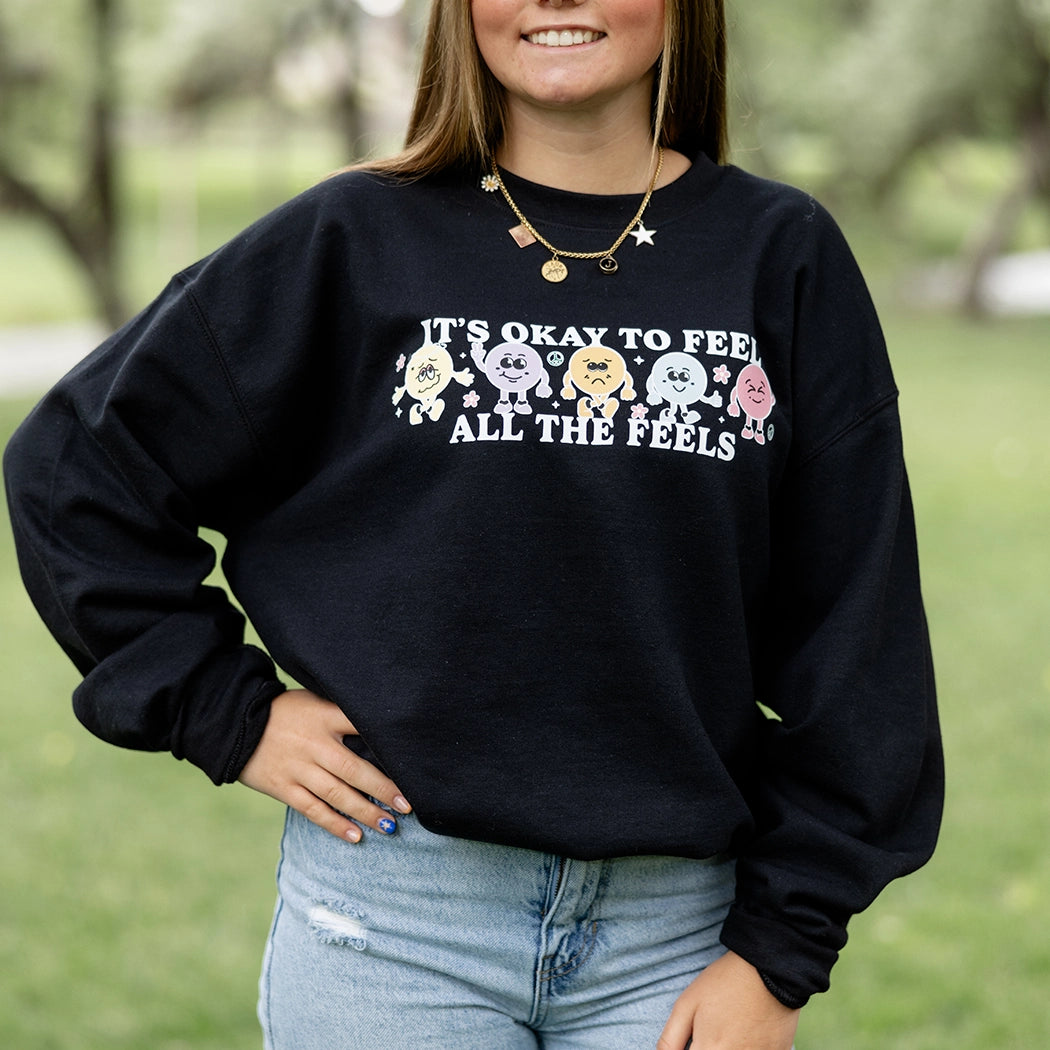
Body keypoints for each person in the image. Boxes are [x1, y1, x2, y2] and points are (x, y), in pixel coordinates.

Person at [3, 0, 943, 1047]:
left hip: (681, 946)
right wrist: (227, 709)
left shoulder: (782, 254)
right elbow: (76, 471)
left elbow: (858, 638)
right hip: (394, 929)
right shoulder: (352, 239)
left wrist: (778, 957)